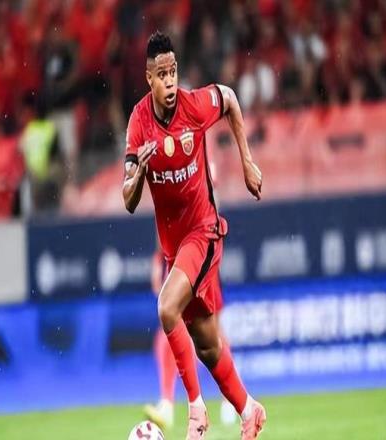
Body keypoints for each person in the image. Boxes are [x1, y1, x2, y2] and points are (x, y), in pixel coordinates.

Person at [123, 31, 265, 439]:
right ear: (149, 78)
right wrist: (140, 173)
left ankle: (195, 410)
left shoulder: (195, 105)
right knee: (207, 344)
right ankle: (249, 409)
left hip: (203, 232)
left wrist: (247, 162)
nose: (170, 82)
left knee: (166, 308)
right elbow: (128, 199)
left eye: (173, 72)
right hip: (174, 248)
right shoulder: (138, 123)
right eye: (162, 75)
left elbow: (230, 99)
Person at [144, 244, 238, 430]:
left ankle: (231, 399)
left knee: (214, 333)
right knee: (166, 332)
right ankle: (167, 403)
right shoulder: (162, 250)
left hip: (199, 256)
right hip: (178, 258)